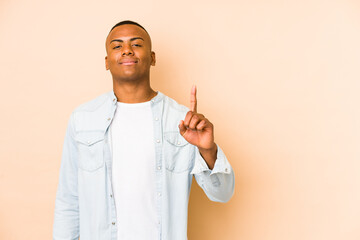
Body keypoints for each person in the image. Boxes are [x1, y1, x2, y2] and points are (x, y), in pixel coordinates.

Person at [53, 20, 235, 240]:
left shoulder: (182, 121)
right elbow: (69, 200)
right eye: (117, 46)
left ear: (153, 58)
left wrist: (208, 151)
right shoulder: (82, 119)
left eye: (137, 44)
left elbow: (222, 194)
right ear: (107, 62)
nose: (127, 50)